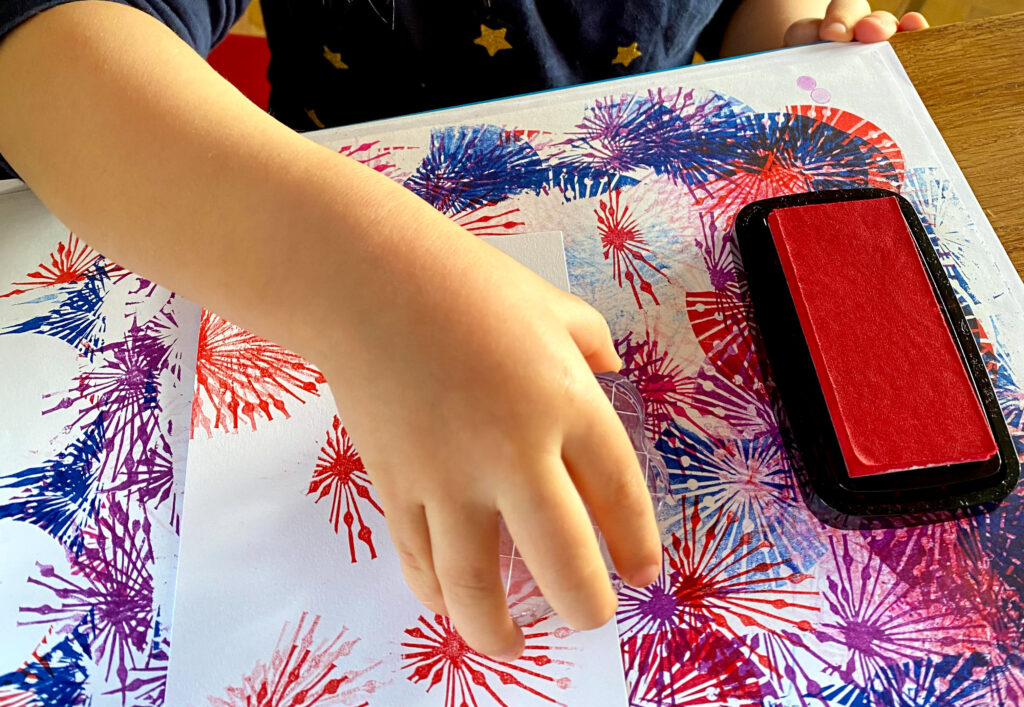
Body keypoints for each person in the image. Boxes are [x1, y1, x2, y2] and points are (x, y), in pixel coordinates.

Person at [0, 0, 926, 660]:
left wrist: (790, 40)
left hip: (621, 224)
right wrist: (369, 282)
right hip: (284, 216)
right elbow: (40, 51)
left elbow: (748, 15)